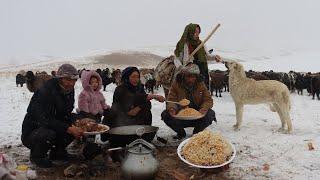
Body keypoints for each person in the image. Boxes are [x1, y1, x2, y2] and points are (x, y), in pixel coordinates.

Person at [21, 64, 83, 168]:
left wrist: (79, 121)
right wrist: (68, 128)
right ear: (60, 78)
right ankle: (37, 156)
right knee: (49, 133)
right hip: (34, 131)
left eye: (74, 80)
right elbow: (44, 119)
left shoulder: (69, 89)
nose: (71, 83)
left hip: (51, 125)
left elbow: (66, 113)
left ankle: (57, 152)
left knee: (75, 125)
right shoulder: (45, 91)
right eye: (67, 79)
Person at [161, 63, 216, 140]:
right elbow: (171, 100)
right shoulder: (176, 84)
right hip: (181, 116)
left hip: (197, 115)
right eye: (188, 76)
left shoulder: (201, 84)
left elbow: (208, 100)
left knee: (210, 114)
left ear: (196, 77)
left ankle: (196, 133)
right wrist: (172, 108)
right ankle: (181, 132)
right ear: (184, 75)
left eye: (193, 77)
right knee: (165, 114)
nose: (191, 79)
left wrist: (204, 108)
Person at [174, 23, 221, 88]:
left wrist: (214, 57)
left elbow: (206, 56)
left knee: (204, 91)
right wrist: (180, 67)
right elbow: (176, 58)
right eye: (195, 32)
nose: (197, 34)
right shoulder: (184, 44)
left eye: (198, 32)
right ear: (190, 32)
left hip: (203, 70)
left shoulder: (201, 43)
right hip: (190, 71)